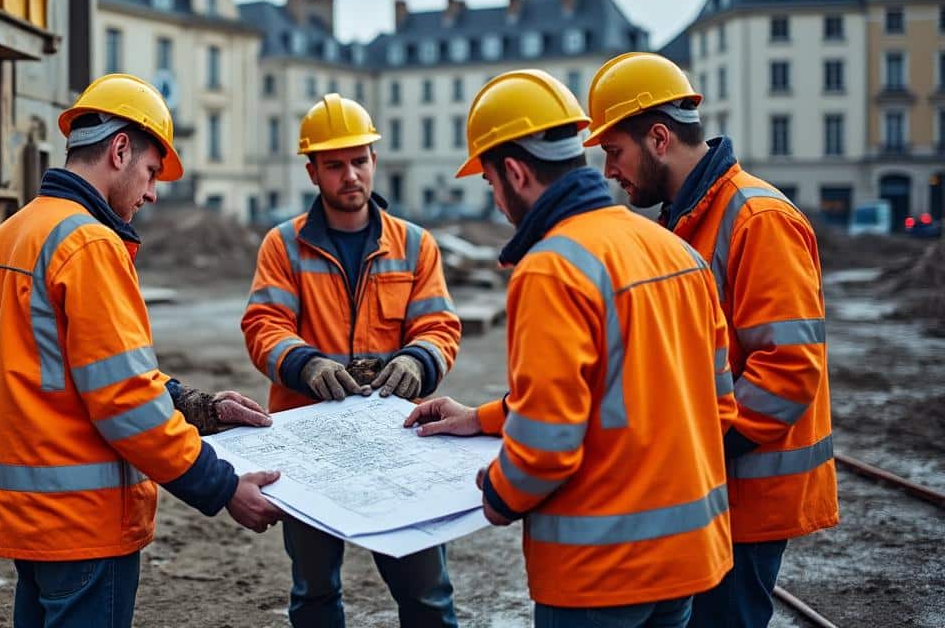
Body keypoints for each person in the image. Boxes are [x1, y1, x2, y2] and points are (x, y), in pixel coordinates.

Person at [406, 69, 736, 628]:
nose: (498, 202)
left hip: (599, 574)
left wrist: (498, 493)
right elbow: (715, 405)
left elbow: (547, 445)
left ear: (514, 172)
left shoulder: (551, 269)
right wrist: (483, 418)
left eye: (490, 184)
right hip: (688, 559)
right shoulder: (674, 249)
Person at [0, 73, 283, 628]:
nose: (154, 191)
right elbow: (125, 400)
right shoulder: (88, 243)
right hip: (83, 523)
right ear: (118, 150)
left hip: (27, 518)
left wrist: (198, 407)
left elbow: (70, 375)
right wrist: (223, 485)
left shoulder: (10, 235)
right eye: (152, 171)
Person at [584, 52, 838, 627]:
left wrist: (696, 452)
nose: (608, 171)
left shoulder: (757, 219)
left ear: (657, 138)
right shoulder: (687, 218)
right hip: (707, 494)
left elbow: (789, 371)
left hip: (742, 499)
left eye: (614, 151)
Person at [241, 93, 462, 627]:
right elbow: (263, 325)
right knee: (314, 594)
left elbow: (440, 326)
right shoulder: (283, 246)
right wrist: (307, 365)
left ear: (374, 161)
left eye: (359, 161)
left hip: (398, 438)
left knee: (426, 594)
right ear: (312, 170)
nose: (350, 176)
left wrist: (417, 362)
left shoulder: (414, 245)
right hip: (309, 443)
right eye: (335, 165)